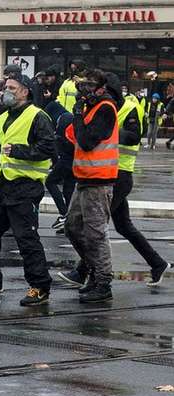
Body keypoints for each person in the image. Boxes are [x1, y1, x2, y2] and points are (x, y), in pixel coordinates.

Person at [0, 73, 56, 306]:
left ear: (25, 91)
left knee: (26, 239)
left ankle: (39, 286)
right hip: (1, 186)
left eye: (12, 88)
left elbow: (47, 149)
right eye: (6, 87)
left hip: (25, 187)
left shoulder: (38, 117)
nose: (6, 91)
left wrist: (18, 151)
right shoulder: (2, 117)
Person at [59, 69, 120, 304]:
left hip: (99, 180)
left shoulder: (105, 108)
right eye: (82, 84)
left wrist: (76, 114)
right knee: (73, 228)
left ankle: (103, 281)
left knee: (95, 234)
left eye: (89, 85)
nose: (83, 89)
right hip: (84, 178)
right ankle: (94, 271)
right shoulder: (90, 108)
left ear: (101, 88)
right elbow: (73, 135)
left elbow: (85, 140)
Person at [104, 75, 171, 287]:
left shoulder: (129, 108)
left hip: (121, 174)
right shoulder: (107, 109)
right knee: (123, 226)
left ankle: (84, 270)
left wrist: (109, 133)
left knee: (96, 225)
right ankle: (157, 263)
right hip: (110, 172)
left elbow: (134, 136)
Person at [42, 101, 75, 234]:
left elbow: (60, 142)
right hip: (74, 160)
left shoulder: (63, 120)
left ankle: (64, 213)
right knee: (68, 188)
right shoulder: (69, 117)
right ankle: (69, 220)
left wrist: (56, 161)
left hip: (67, 159)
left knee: (50, 181)